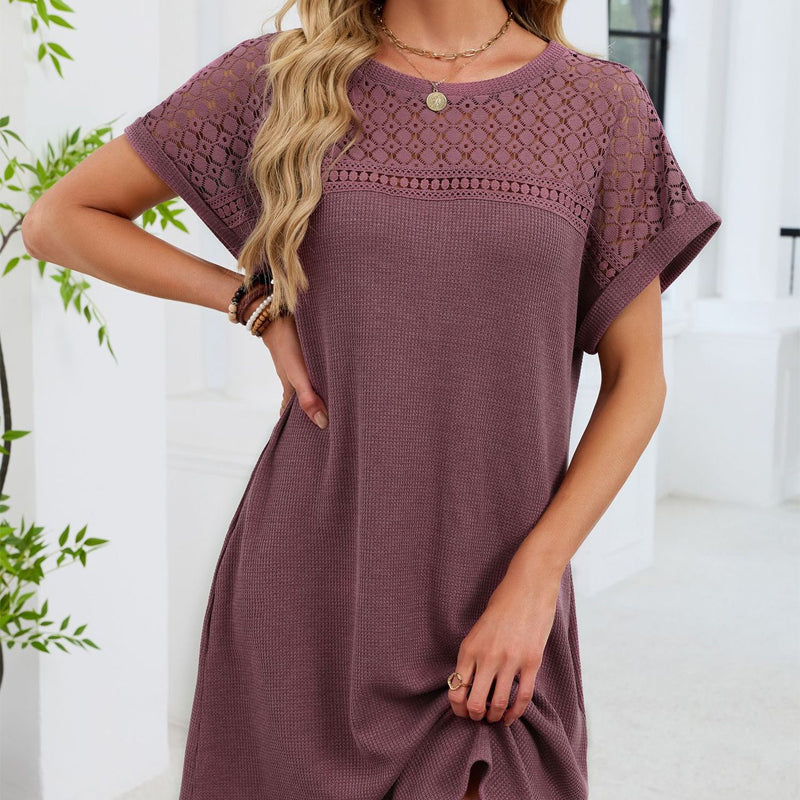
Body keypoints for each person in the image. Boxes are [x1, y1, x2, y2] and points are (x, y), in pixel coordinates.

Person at [21, 1, 722, 798]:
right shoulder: (281, 78)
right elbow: (57, 220)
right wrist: (251, 301)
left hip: (494, 608)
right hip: (306, 597)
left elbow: (638, 382)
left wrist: (537, 577)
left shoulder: (600, 106)